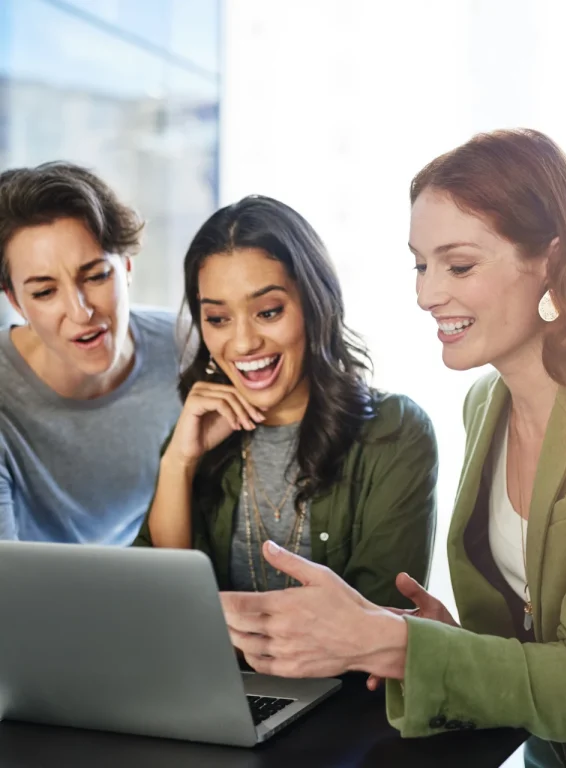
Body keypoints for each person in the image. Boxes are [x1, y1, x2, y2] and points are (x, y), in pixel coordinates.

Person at [217, 130, 566, 768]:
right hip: (547, 754)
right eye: (420, 265)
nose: (427, 294)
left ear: (551, 261)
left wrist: (392, 643)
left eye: (459, 266)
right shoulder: (486, 404)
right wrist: (438, 639)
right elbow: (532, 646)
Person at [134, 195, 438, 607]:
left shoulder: (396, 433)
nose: (243, 342)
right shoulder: (197, 432)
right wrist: (178, 464)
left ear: (315, 304)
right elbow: (162, 604)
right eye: (218, 319)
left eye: (268, 312)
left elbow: (382, 618)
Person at [0, 162, 181, 544]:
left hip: (144, 574)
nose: (81, 312)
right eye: (44, 292)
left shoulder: (187, 348)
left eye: (97, 276)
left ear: (126, 267)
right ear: (15, 302)